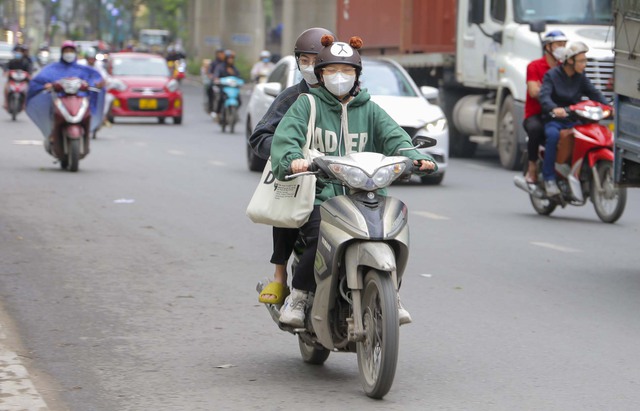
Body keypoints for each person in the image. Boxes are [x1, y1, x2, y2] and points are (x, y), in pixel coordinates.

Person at [271, 35, 438, 327]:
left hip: (368, 195)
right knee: (317, 237)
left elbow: (396, 138)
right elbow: (286, 142)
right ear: (320, 75)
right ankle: (299, 296)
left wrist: (416, 158)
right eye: (332, 71)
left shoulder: (370, 109)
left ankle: (391, 294)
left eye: (347, 71)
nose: (340, 77)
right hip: (323, 196)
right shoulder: (306, 105)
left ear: (357, 75)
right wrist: (292, 159)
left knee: (393, 232)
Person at [252, 27, 336, 307]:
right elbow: (260, 137)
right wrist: (287, 155)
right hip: (303, 176)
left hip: (341, 179)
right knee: (289, 204)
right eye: (305, 60)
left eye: (317, 60)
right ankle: (280, 278)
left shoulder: (348, 99)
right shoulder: (291, 98)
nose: (311, 67)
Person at [538, 41, 609, 196]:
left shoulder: (580, 77)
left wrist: (609, 106)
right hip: (554, 120)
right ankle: (549, 178)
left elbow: (594, 93)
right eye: (582, 61)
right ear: (570, 61)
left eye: (585, 60)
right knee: (552, 136)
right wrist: (554, 108)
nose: (585, 64)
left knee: (590, 135)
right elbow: (544, 96)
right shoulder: (552, 75)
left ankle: (579, 171)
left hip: (575, 119)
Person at [26, 41, 105, 148]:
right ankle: (52, 133)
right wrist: (46, 85)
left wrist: (94, 84)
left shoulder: (83, 69)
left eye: (71, 51)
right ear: (62, 53)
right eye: (66, 51)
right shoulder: (52, 69)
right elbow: (38, 80)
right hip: (59, 100)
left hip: (79, 100)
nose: (69, 53)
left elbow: (96, 79)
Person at [522, 30, 568, 184]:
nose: (562, 47)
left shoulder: (566, 68)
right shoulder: (534, 66)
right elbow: (534, 91)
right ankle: (532, 167)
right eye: (559, 44)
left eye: (564, 44)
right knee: (535, 130)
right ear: (548, 47)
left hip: (559, 113)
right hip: (537, 114)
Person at [212, 50, 241, 118]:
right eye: (229, 58)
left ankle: (234, 113)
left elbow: (239, 77)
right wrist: (216, 79)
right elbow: (216, 75)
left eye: (232, 58)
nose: (231, 60)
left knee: (239, 100)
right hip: (224, 87)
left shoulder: (234, 68)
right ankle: (218, 113)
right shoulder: (220, 67)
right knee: (221, 98)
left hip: (233, 88)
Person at [3, 44, 33, 110]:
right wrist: (6, 71)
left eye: (19, 52)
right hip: (12, 80)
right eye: (17, 51)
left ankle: (24, 104)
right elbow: (6, 66)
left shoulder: (26, 62)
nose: (18, 53)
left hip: (23, 81)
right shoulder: (12, 61)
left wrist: (29, 75)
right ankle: (6, 103)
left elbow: (30, 70)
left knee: (27, 90)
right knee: (6, 88)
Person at [206, 49, 226, 115]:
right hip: (215, 81)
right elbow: (209, 71)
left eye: (222, 53)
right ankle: (210, 105)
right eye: (220, 54)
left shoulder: (226, 63)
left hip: (224, 81)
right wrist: (211, 76)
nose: (221, 55)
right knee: (209, 88)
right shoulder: (214, 63)